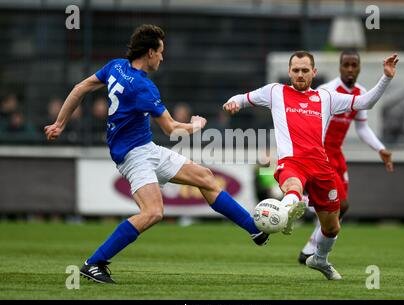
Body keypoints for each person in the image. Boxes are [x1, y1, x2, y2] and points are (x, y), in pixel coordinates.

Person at [44, 24, 269, 284]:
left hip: (146, 148)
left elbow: (80, 87)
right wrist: (195, 126)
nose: (163, 57)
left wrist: (60, 123)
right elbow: (171, 128)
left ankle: (255, 230)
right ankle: (94, 263)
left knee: (206, 177)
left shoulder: (116, 66)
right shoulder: (143, 87)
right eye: (161, 51)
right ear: (150, 52)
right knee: (153, 212)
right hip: (133, 155)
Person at [223, 50, 398, 280]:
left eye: (305, 70)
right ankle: (285, 212)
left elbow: (366, 102)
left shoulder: (326, 97)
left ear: (313, 72)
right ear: (289, 71)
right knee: (293, 184)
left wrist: (386, 77)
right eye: (295, 70)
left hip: (321, 166)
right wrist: (233, 103)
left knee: (332, 227)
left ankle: (319, 259)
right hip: (292, 162)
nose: (300, 74)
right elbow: (243, 98)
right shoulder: (275, 92)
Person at [298, 50, 394, 265]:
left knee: (340, 207)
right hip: (321, 153)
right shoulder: (327, 91)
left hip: (337, 154)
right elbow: (312, 123)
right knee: (340, 204)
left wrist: (380, 149)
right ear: (340, 67)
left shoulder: (361, 93)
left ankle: (308, 250)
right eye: (346, 65)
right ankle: (301, 203)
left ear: (359, 68)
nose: (350, 69)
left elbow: (361, 127)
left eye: (354, 65)